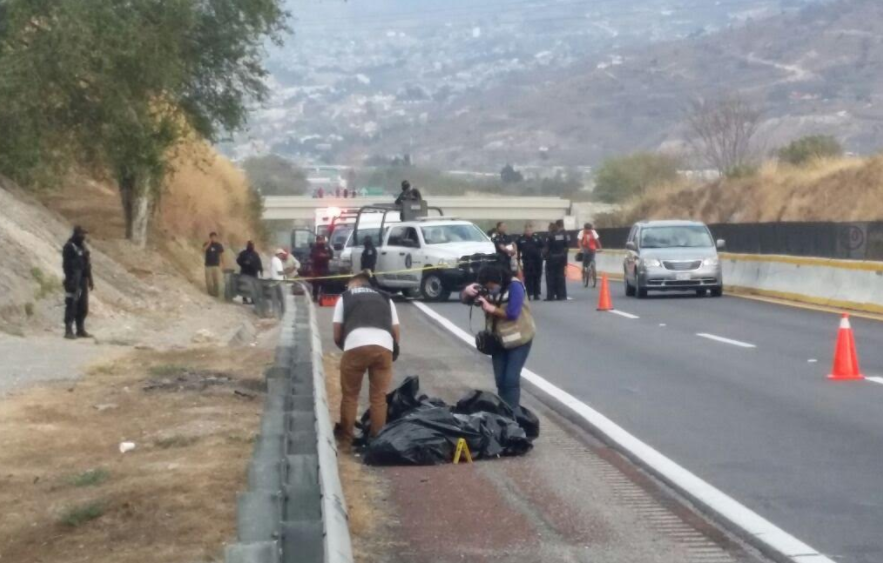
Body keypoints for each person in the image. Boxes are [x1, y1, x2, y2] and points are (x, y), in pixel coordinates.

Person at [333, 272, 401, 446]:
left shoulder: (345, 298)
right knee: (379, 398)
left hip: (355, 345)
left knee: (350, 396)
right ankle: (377, 442)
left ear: (355, 284)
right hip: (384, 346)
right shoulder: (387, 298)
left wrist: (349, 346)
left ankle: (346, 441)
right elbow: (396, 332)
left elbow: (336, 334)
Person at [461, 264, 535, 409]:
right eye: (487, 287)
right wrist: (466, 291)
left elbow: (513, 313)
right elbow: (465, 300)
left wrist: (491, 308)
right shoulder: (484, 289)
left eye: (491, 286)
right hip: (498, 340)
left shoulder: (515, 286)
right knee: (500, 380)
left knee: (511, 380)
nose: (490, 290)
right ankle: (503, 413)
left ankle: (512, 415)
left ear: (499, 280)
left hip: (519, 339)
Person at [62, 225, 94, 339]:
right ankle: (68, 330)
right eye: (81, 234)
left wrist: (90, 279)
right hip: (72, 280)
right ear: (76, 234)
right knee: (71, 304)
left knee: (83, 306)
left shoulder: (83, 247)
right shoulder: (69, 247)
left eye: (84, 234)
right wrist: (71, 280)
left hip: (82, 280)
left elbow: (87, 265)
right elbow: (67, 265)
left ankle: (80, 329)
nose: (83, 237)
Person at [517, 222, 544, 300]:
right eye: (527, 230)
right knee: (528, 278)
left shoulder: (537, 237)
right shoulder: (521, 239)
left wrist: (542, 256)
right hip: (526, 261)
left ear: (532, 230)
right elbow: (518, 251)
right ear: (525, 230)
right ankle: (529, 293)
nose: (528, 231)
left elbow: (542, 247)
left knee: (537, 277)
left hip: (537, 261)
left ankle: (536, 294)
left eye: (530, 230)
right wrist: (518, 261)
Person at [544, 221, 570, 301]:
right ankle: (561, 295)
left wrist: (544, 255)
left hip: (552, 259)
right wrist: (563, 254)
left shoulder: (550, 236)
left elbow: (547, 248)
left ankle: (550, 296)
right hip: (561, 258)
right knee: (560, 277)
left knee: (550, 277)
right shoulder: (562, 235)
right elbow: (566, 246)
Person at [309, 236, 332, 302]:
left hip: (324, 267)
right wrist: (319, 256)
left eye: (322, 240)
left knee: (324, 282)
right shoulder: (314, 247)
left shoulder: (327, 247)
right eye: (320, 240)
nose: (321, 241)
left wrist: (325, 256)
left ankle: (323, 296)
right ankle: (315, 296)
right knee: (315, 283)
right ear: (317, 241)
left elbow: (331, 255)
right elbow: (311, 256)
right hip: (316, 268)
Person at [203, 232, 225, 297]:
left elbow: (221, 255)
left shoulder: (219, 245)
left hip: (216, 265)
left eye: (214, 237)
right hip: (208, 265)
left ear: (216, 237)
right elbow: (203, 250)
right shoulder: (206, 244)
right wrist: (209, 243)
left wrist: (223, 264)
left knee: (216, 281)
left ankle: (216, 294)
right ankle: (210, 293)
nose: (213, 238)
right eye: (212, 237)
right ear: (210, 238)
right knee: (208, 281)